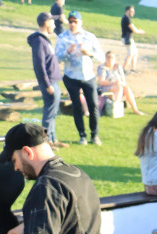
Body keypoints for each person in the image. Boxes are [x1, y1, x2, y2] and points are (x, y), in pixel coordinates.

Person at [56, 11, 105, 145]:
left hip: (88, 76)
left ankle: (94, 135)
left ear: (80, 22)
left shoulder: (89, 37)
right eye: (70, 21)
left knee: (93, 105)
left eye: (75, 21)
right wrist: (67, 52)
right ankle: (82, 135)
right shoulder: (63, 37)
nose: (72, 24)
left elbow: (101, 58)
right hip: (71, 76)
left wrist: (89, 53)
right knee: (77, 106)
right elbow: (56, 58)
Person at [30, 12, 67, 149]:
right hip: (49, 83)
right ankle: (45, 141)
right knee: (48, 115)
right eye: (52, 22)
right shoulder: (38, 41)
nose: (54, 24)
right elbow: (39, 66)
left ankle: (53, 139)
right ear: (46, 23)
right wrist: (46, 85)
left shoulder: (44, 40)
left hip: (53, 82)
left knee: (52, 113)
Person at [97, 50, 144, 116]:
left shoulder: (118, 67)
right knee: (118, 88)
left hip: (117, 86)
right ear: (106, 58)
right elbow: (101, 82)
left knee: (126, 88)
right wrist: (114, 83)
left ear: (114, 59)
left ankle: (135, 109)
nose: (110, 59)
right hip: (104, 89)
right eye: (108, 57)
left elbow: (123, 81)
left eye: (112, 57)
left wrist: (119, 83)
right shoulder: (102, 68)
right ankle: (115, 109)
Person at [120, 6, 144, 74]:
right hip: (127, 38)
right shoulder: (127, 19)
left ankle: (132, 69)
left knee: (135, 53)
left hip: (128, 38)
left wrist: (138, 30)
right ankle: (123, 69)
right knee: (130, 54)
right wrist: (140, 32)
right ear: (128, 11)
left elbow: (133, 28)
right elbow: (133, 29)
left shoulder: (125, 17)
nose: (133, 13)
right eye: (132, 11)